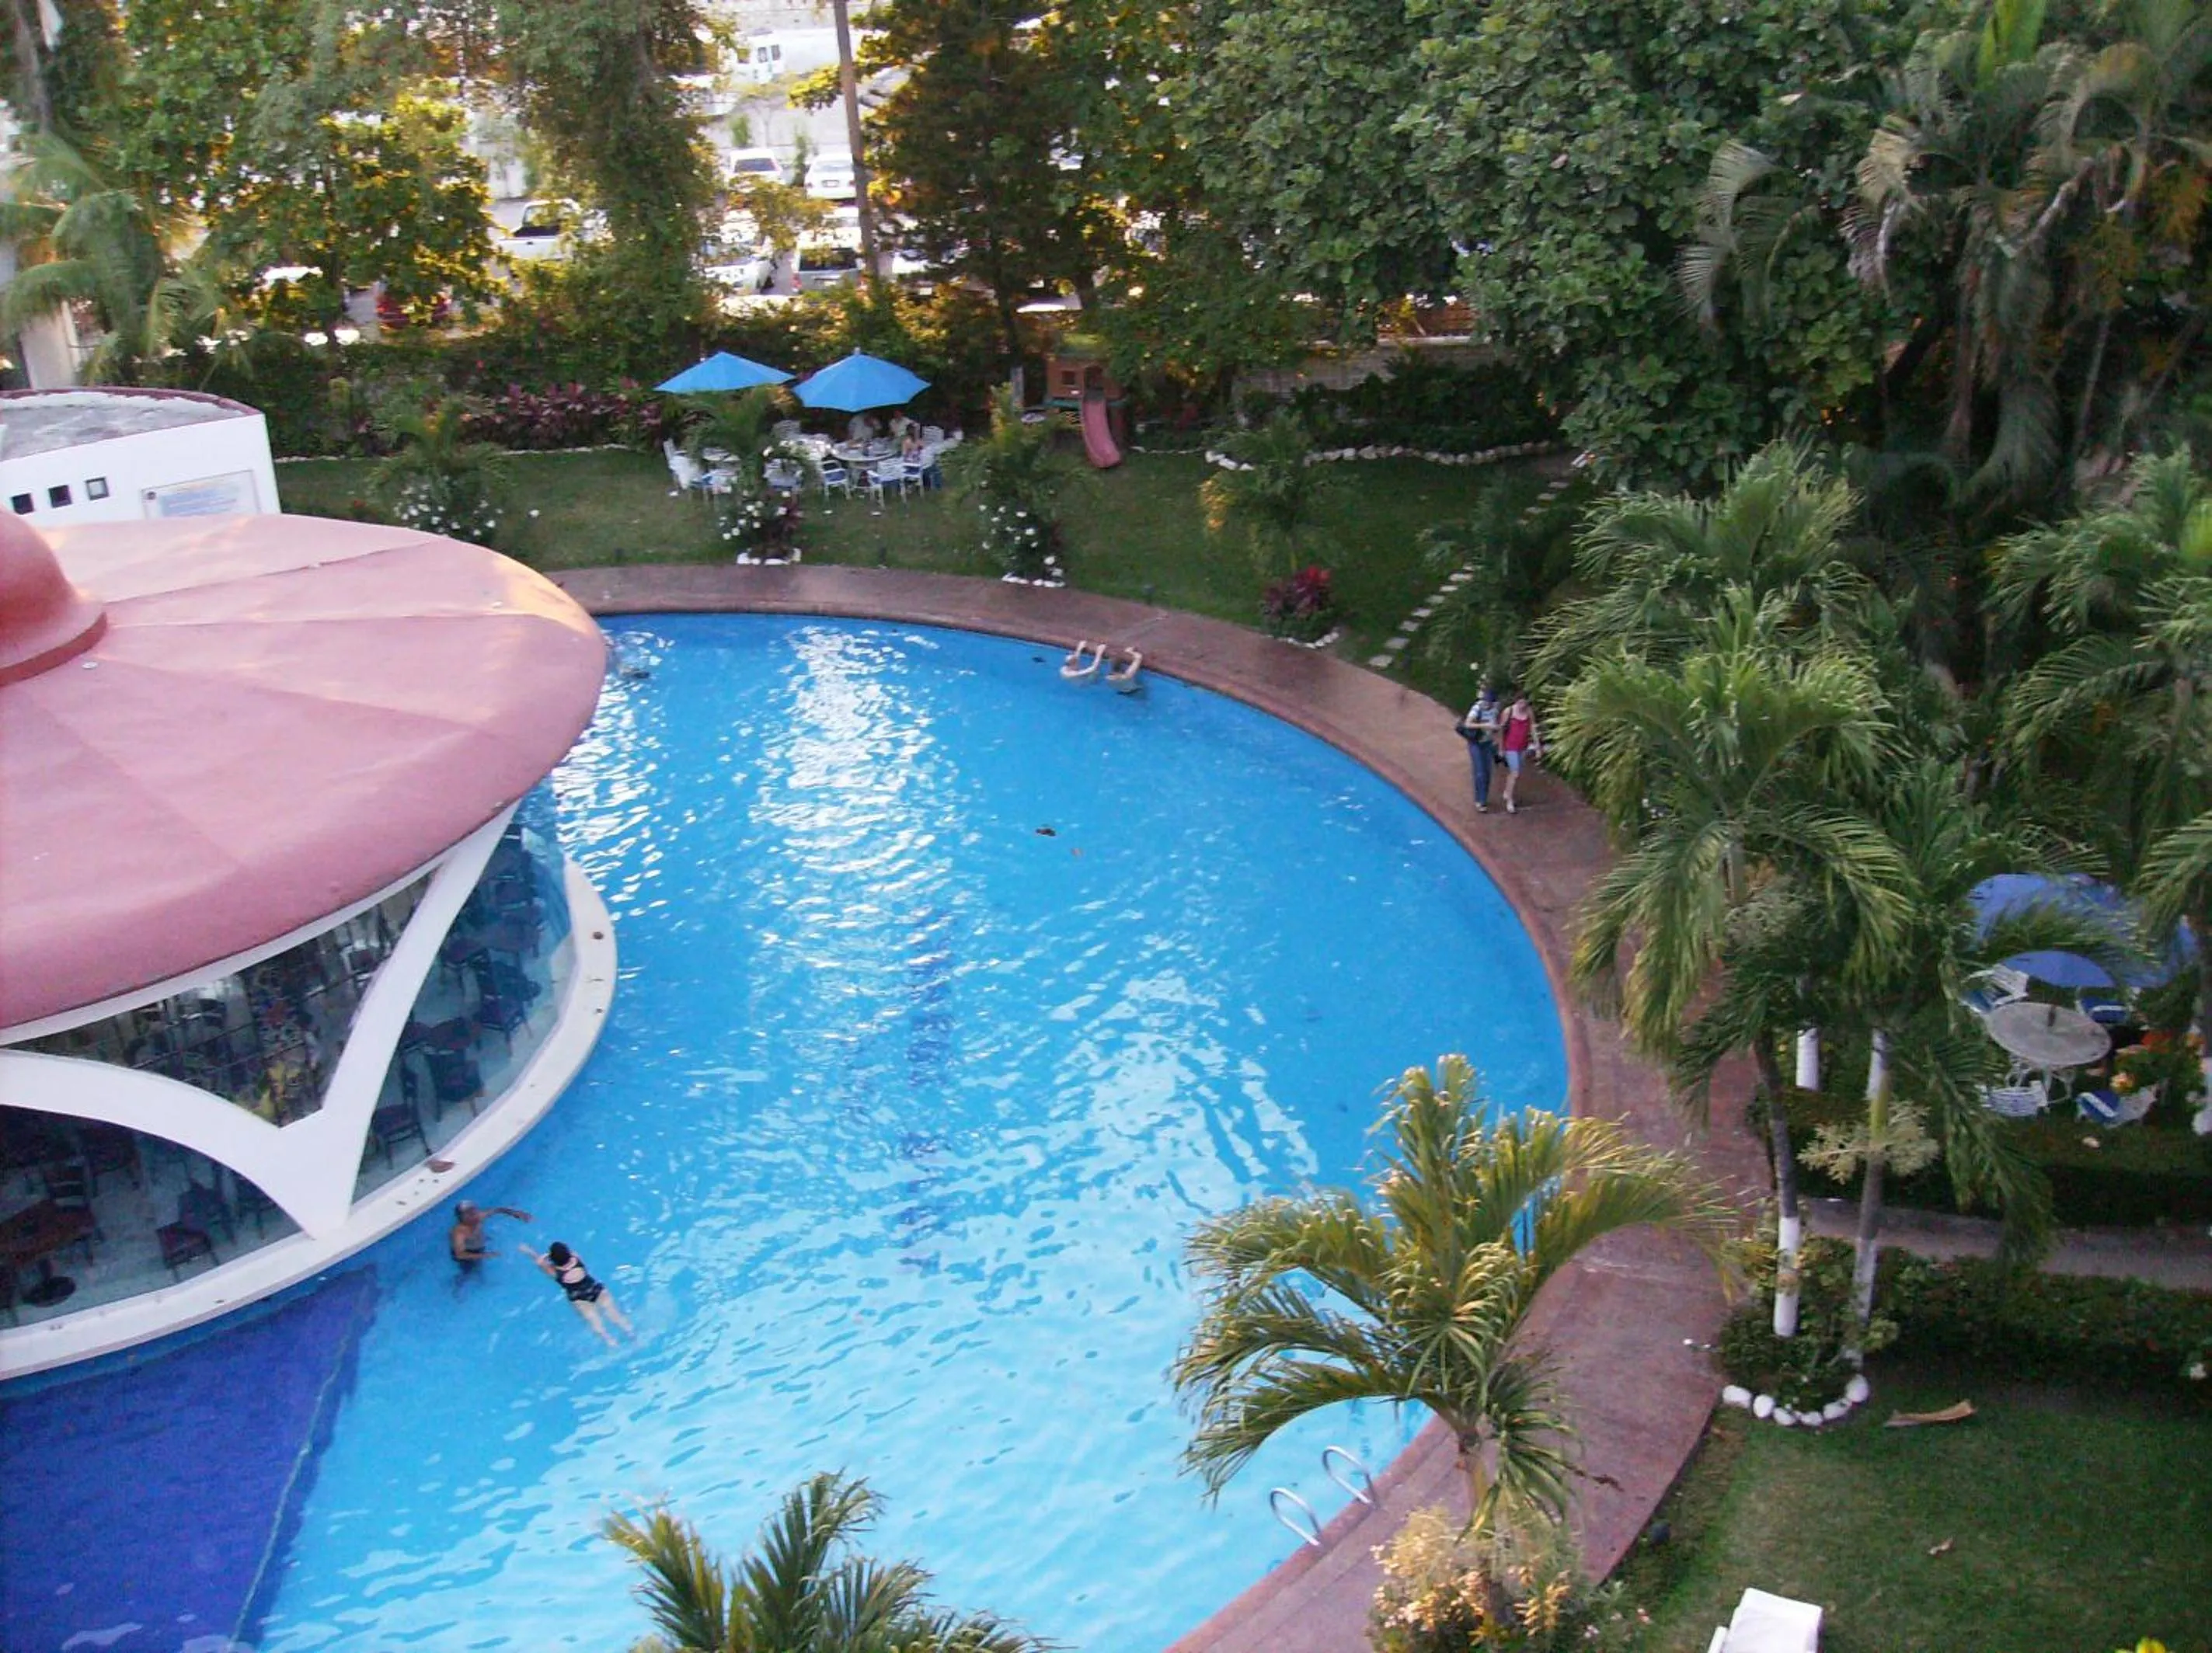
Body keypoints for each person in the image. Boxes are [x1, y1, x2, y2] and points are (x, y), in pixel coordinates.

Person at [522, 1241, 633, 1346]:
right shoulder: (576, 1258)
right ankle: (631, 1334)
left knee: (594, 1321)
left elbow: (540, 1261)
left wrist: (529, 1251)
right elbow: (568, 1253)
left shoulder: (554, 1272)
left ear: (553, 1259)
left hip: (579, 1298)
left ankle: (610, 1341)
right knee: (615, 1314)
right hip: (596, 1289)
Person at [1496, 689, 1542, 815]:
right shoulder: (1509, 712)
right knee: (1515, 773)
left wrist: (1537, 746)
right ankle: (1510, 800)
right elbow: (1501, 730)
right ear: (1516, 702)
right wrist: (1501, 748)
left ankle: (1507, 791)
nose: (1522, 706)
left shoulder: (1529, 712)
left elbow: (1533, 729)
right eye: (1520, 703)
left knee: (1515, 772)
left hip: (1522, 746)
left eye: (1524, 703)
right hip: (1510, 746)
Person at [450, 1200, 531, 1270]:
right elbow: (460, 1255)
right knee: (470, 1272)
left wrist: (517, 1214)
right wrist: (486, 1255)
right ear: (461, 1217)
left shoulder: (479, 1217)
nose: (473, 1214)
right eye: (469, 1213)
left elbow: (498, 1210)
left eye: (473, 1211)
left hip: (477, 1243)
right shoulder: (460, 1232)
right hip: (469, 1252)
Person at [1456, 683, 1500, 813]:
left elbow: (1497, 723)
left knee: (1487, 772)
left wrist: (1496, 729)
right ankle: (1480, 801)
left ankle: (1484, 797)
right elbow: (1468, 724)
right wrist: (1485, 725)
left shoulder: (1496, 708)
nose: (1487, 704)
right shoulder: (1477, 708)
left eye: (1489, 702)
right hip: (1476, 743)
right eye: (1486, 701)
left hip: (1488, 743)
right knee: (1479, 771)